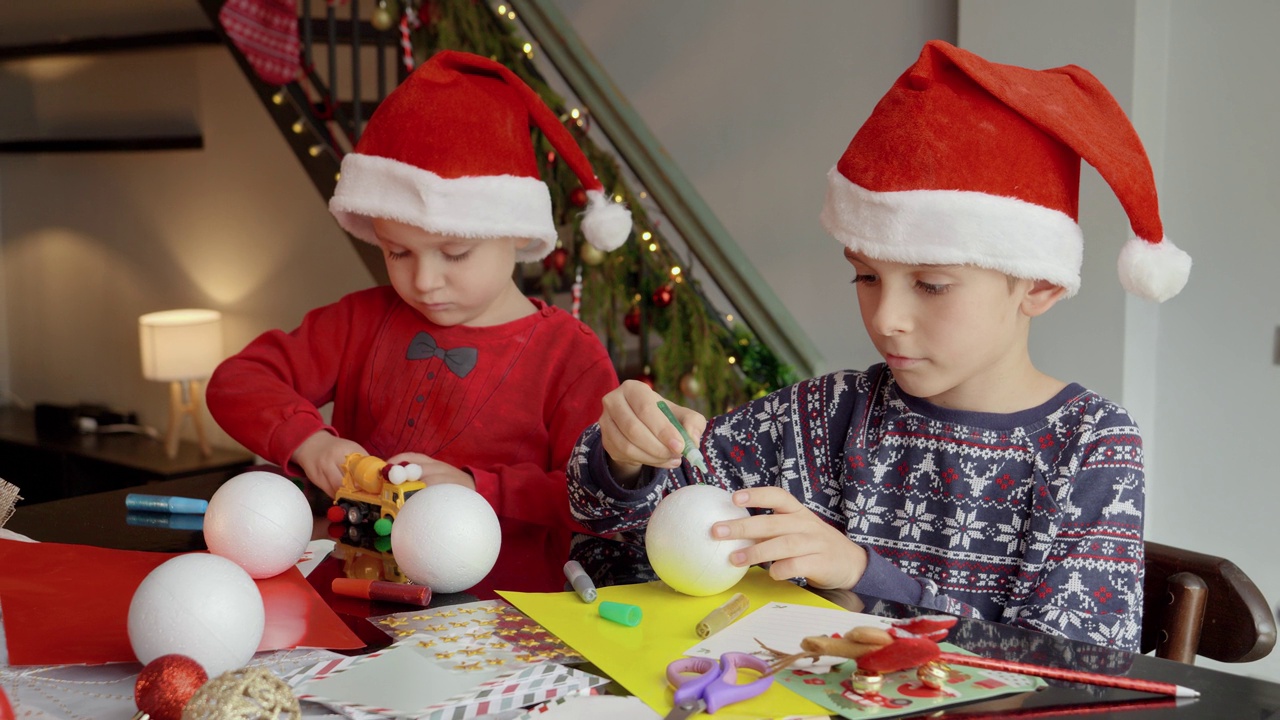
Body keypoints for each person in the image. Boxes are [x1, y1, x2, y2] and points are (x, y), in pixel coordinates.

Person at [567, 40, 1192, 652]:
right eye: (866, 275)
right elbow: (621, 539)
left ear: (1041, 287)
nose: (886, 317)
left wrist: (865, 578)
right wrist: (627, 459)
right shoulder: (824, 415)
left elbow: (1077, 667)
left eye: (931, 284)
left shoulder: (1092, 447)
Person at [208, 50, 629, 532]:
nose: (424, 282)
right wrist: (310, 443)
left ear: (516, 231)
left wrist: (476, 491)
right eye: (397, 253)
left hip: (502, 601)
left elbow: (598, 499)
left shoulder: (569, 356)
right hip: (355, 583)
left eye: (454, 254)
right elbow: (237, 381)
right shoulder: (359, 320)